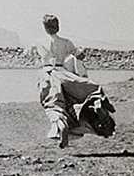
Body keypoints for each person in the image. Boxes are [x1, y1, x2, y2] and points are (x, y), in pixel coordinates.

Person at [32, 14, 115, 148]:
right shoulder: (66, 42)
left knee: (52, 105)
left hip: (46, 74)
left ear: (45, 28)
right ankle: (97, 100)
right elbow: (79, 55)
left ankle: (61, 124)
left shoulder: (38, 42)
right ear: (57, 27)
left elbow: (27, 53)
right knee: (81, 92)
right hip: (63, 73)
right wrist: (77, 54)